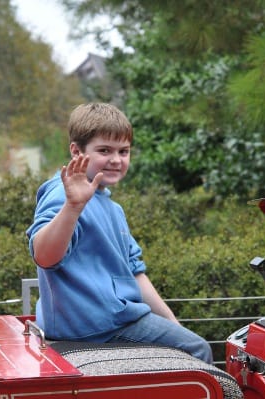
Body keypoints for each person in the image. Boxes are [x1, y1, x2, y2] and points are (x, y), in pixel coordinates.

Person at [26, 103, 213, 364]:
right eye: (104, 150)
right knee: (197, 351)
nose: (116, 160)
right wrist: (72, 207)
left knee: (190, 343)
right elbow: (44, 257)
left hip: (117, 319)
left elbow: (135, 272)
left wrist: (174, 326)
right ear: (76, 151)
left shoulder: (112, 208)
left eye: (123, 151)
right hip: (99, 327)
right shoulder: (64, 195)